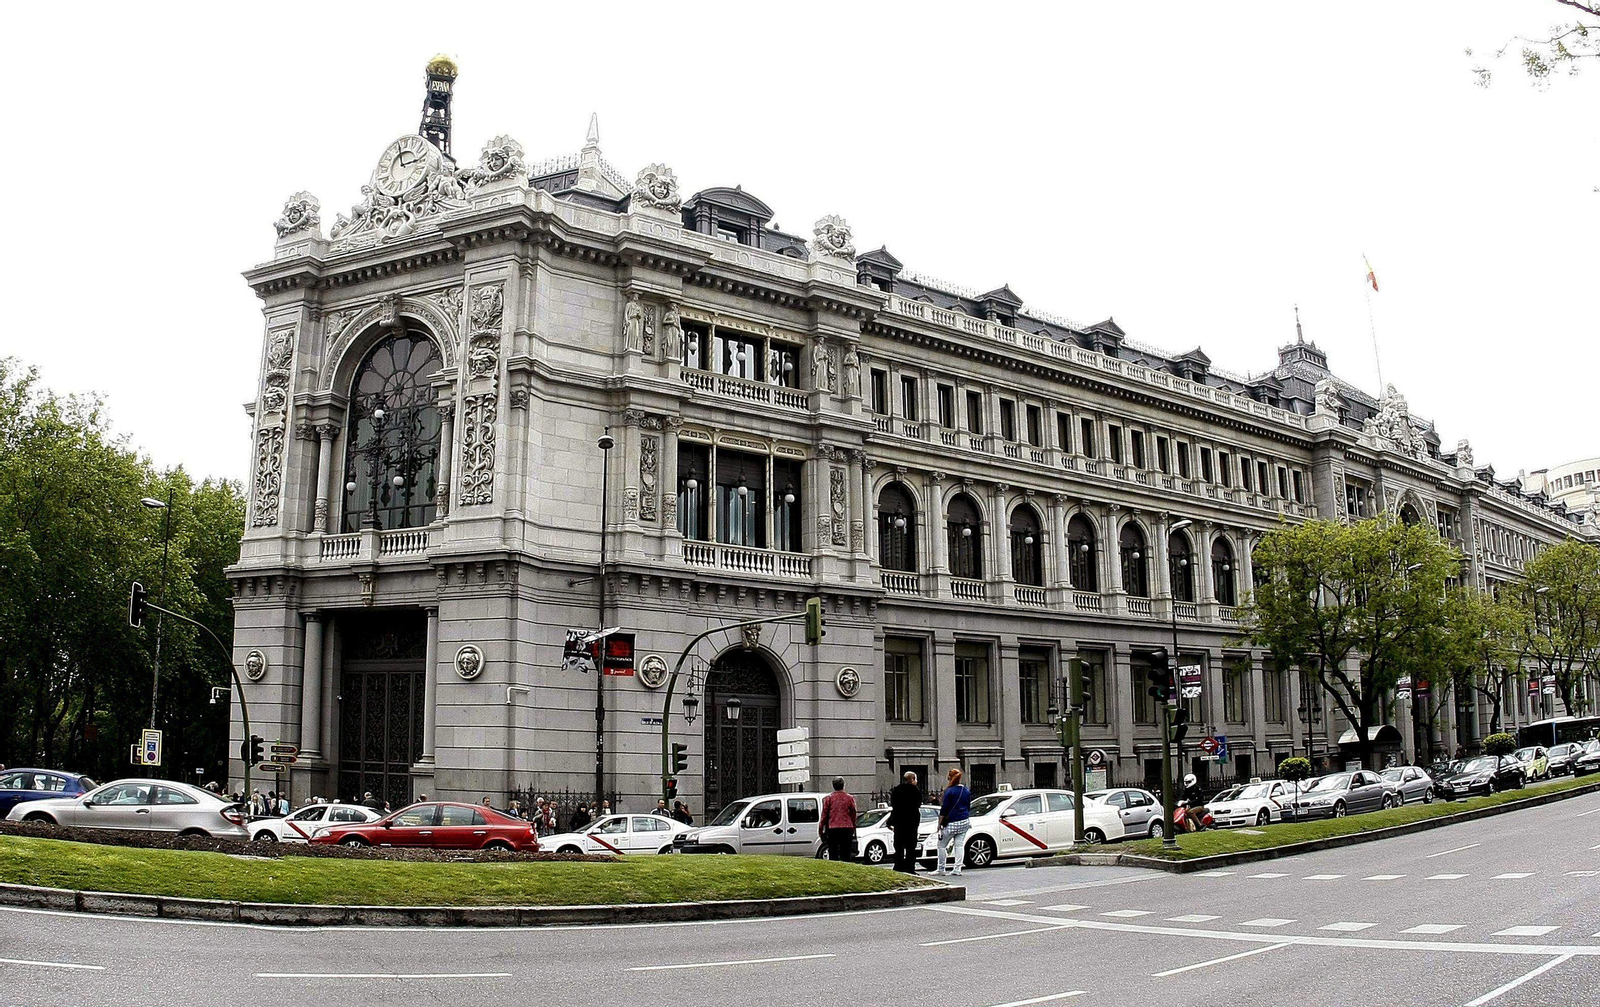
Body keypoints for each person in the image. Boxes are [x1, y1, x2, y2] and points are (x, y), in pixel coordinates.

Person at [936, 768, 971, 877]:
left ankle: (941, 868)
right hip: (964, 821)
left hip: (952, 822)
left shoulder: (949, 791)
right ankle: (957, 868)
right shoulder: (966, 790)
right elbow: (968, 806)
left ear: (949, 778)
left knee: (941, 845)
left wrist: (939, 823)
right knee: (959, 845)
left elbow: (944, 808)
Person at [888, 770, 923, 873]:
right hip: (911, 822)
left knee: (899, 846)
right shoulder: (915, 791)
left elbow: (894, 806)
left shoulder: (896, 790)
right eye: (915, 779)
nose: (916, 781)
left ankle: (898, 866)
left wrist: (891, 821)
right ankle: (910, 867)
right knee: (911, 847)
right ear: (911, 779)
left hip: (899, 822)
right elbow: (918, 805)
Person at [819, 777, 859, 863]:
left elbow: (824, 815)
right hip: (847, 827)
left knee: (833, 852)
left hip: (833, 827)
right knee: (846, 852)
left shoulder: (828, 799)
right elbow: (853, 813)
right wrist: (853, 827)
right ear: (843, 785)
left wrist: (821, 829)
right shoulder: (849, 798)